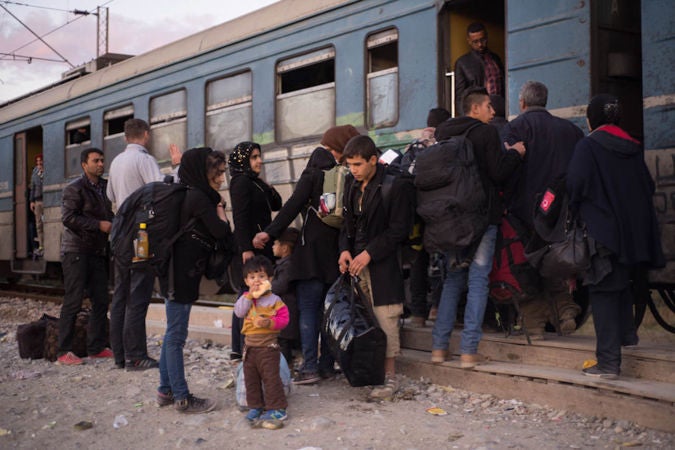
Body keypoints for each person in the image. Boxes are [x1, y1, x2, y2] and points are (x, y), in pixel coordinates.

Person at [253, 124, 360, 384]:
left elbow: (292, 205)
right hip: (337, 253)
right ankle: (326, 365)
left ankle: (309, 367)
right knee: (330, 311)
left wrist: (270, 232)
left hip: (310, 254)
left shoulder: (313, 171)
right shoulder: (348, 175)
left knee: (309, 311)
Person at [567, 94, 664, 379]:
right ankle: (627, 338)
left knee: (603, 292)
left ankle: (609, 362)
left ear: (592, 119)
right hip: (632, 234)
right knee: (620, 285)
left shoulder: (588, 147)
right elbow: (648, 185)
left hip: (602, 233)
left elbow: (575, 184)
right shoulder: (632, 148)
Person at [430, 87, 524, 367]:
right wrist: (515, 154)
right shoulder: (485, 133)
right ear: (475, 109)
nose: (493, 112)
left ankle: (438, 349)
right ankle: (469, 351)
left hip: (451, 222)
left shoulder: (444, 134)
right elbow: (498, 172)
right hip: (482, 218)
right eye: (488, 107)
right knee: (478, 280)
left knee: (452, 280)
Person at [503, 81, 585, 338]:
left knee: (526, 265)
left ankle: (535, 323)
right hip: (561, 212)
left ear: (522, 103)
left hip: (525, 211)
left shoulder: (515, 128)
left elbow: (506, 168)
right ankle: (565, 311)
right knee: (552, 259)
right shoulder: (572, 131)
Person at [338, 135, 415, 399]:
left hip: (383, 265)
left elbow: (399, 230)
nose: (353, 170)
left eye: (358, 164)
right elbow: (346, 224)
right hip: (357, 265)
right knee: (364, 320)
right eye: (350, 165)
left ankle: (390, 378)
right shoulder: (350, 183)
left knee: (386, 319)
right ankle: (371, 373)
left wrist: (369, 253)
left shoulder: (395, 184)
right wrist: (345, 250)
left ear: (373, 160)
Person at [156, 147, 229, 413]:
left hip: (175, 273)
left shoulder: (188, 193)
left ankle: (165, 390)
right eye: (217, 174)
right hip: (180, 276)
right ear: (202, 172)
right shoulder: (198, 198)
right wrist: (221, 212)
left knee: (172, 333)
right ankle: (182, 398)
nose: (221, 179)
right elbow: (220, 232)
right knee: (176, 336)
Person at [107, 118, 182, 370]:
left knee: (120, 294)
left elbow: (110, 197)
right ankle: (136, 356)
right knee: (138, 295)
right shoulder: (145, 159)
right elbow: (161, 190)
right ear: (146, 135)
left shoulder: (116, 161)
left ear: (126, 137)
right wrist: (177, 167)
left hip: (119, 233)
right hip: (140, 234)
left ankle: (119, 354)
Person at [56, 148, 114, 365]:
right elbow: (69, 218)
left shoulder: (104, 188)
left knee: (100, 300)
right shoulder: (75, 189)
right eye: (96, 161)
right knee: (73, 301)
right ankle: (63, 351)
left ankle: (96, 347)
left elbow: (108, 215)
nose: (101, 164)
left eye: (102, 160)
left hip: (97, 252)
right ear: (84, 164)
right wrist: (99, 225)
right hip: (76, 251)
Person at [229, 142, 283, 361]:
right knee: (247, 295)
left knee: (256, 293)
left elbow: (277, 204)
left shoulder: (253, 182)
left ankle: (249, 343)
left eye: (259, 156)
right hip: (251, 250)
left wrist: (264, 184)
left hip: (262, 247)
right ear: (243, 161)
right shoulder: (241, 182)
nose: (259, 160)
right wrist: (246, 249)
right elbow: (240, 217)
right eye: (253, 157)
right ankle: (239, 347)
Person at [402, 108, 450, 327]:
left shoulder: (412, 147)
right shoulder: (441, 146)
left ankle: (418, 314)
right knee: (440, 261)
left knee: (417, 264)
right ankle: (437, 307)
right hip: (437, 216)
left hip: (414, 217)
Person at [234, 255, 290, 425]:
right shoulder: (246, 298)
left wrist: (269, 322)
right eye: (252, 277)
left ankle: (278, 409)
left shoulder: (275, 300)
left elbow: (284, 320)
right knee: (251, 378)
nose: (257, 281)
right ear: (246, 281)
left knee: (271, 377)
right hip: (250, 347)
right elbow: (239, 312)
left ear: (270, 279)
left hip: (268, 347)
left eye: (261, 276)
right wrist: (249, 296)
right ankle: (255, 406)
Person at [454, 22, 504, 116]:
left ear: (487, 37)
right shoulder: (462, 63)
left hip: (499, 112)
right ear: (468, 41)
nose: (480, 44)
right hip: (479, 114)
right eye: (475, 42)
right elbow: (460, 96)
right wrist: (466, 119)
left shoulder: (496, 59)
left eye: (483, 40)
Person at [271, 227, 301, 366]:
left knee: (284, 343)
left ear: (284, 248)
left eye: (276, 243)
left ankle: (285, 368)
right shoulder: (286, 264)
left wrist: (268, 284)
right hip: (285, 310)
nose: (273, 246)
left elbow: (280, 286)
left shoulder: (287, 265)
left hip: (286, 310)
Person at [29, 154, 45, 256]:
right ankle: (41, 245)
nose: (39, 163)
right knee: (39, 224)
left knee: (46, 223)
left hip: (46, 200)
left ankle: (47, 244)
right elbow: (32, 187)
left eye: (41, 161)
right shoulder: (35, 172)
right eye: (37, 161)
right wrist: (31, 201)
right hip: (37, 200)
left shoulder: (47, 170)